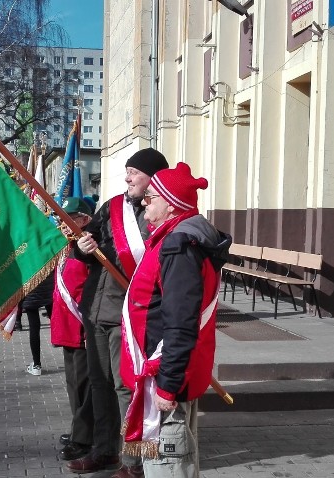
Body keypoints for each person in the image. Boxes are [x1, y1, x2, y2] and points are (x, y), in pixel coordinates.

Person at [120, 162, 230, 478]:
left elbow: (181, 321)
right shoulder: (174, 237)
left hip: (166, 379)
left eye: (151, 196)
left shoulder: (179, 246)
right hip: (167, 373)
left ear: (171, 204)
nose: (143, 201)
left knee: (169, 468)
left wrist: (167, 386)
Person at [68, 147, 169, 477]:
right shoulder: (111, 207)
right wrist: (80, 249)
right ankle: (105, 451)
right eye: (126, 170)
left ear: (152, 178)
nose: (127, 177)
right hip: (96, 313)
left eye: (134, 172)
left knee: (127, 389)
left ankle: (134, 463)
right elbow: (87, 243)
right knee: (99, 385)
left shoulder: (158, 213)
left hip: (128, 316)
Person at [51, 197, 95, 462]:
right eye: (61, 218)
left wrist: (90, 329)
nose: (63, 224)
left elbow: (88, 294)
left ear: (85, 220)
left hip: (81, 331)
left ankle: (84, 438)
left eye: (69, 218)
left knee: (84, 387)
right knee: (74, 385)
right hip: (66, 329)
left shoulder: (89, 249)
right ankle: (79, 430)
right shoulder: (68, 247)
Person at [22, 274, 54, 376]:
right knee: (55, 320)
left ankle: (36, 365)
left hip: (30, 287)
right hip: (48, 285)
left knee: (34, 327)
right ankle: (69, 353)